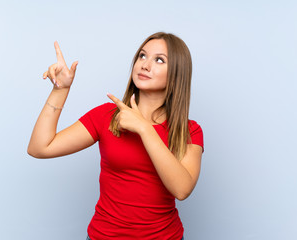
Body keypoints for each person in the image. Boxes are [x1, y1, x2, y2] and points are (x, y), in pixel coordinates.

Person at [27, 32, 204, 240]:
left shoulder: (189, 130)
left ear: (177, 73)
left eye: (159, 60)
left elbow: (182, 189)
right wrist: (61, 89)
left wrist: (144, 129)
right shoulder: (106, 116)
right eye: (142, 56)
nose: (145, 65)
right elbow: (39, 148)